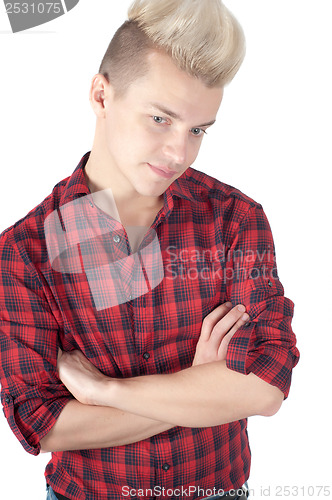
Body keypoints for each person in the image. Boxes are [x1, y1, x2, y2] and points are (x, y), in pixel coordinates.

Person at [0, 1, 299, 499]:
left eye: (197, 130)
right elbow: (43, 424)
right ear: (101, 94)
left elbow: (265, 387)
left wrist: (103, 392)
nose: (178, 153)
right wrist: (202, 388)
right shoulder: (25, 252)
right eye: (160, 119)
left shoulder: (234, 220)